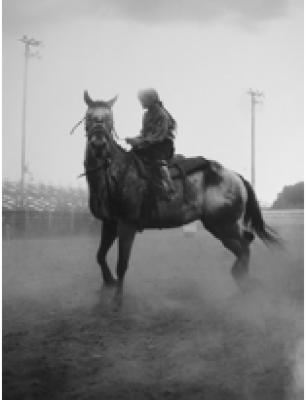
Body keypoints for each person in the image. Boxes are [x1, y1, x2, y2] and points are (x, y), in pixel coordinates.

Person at [126, 88, 176, 200]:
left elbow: (158, 135)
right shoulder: (147, 115)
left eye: (143, 100)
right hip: (149, 144)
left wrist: (139, 141)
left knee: (156, 161)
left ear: (151, 99)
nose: (141, 102)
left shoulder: (162, 114)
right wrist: (133, 139)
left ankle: (168, 187)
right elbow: (144, 134)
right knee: (131, 156)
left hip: (163, 144)